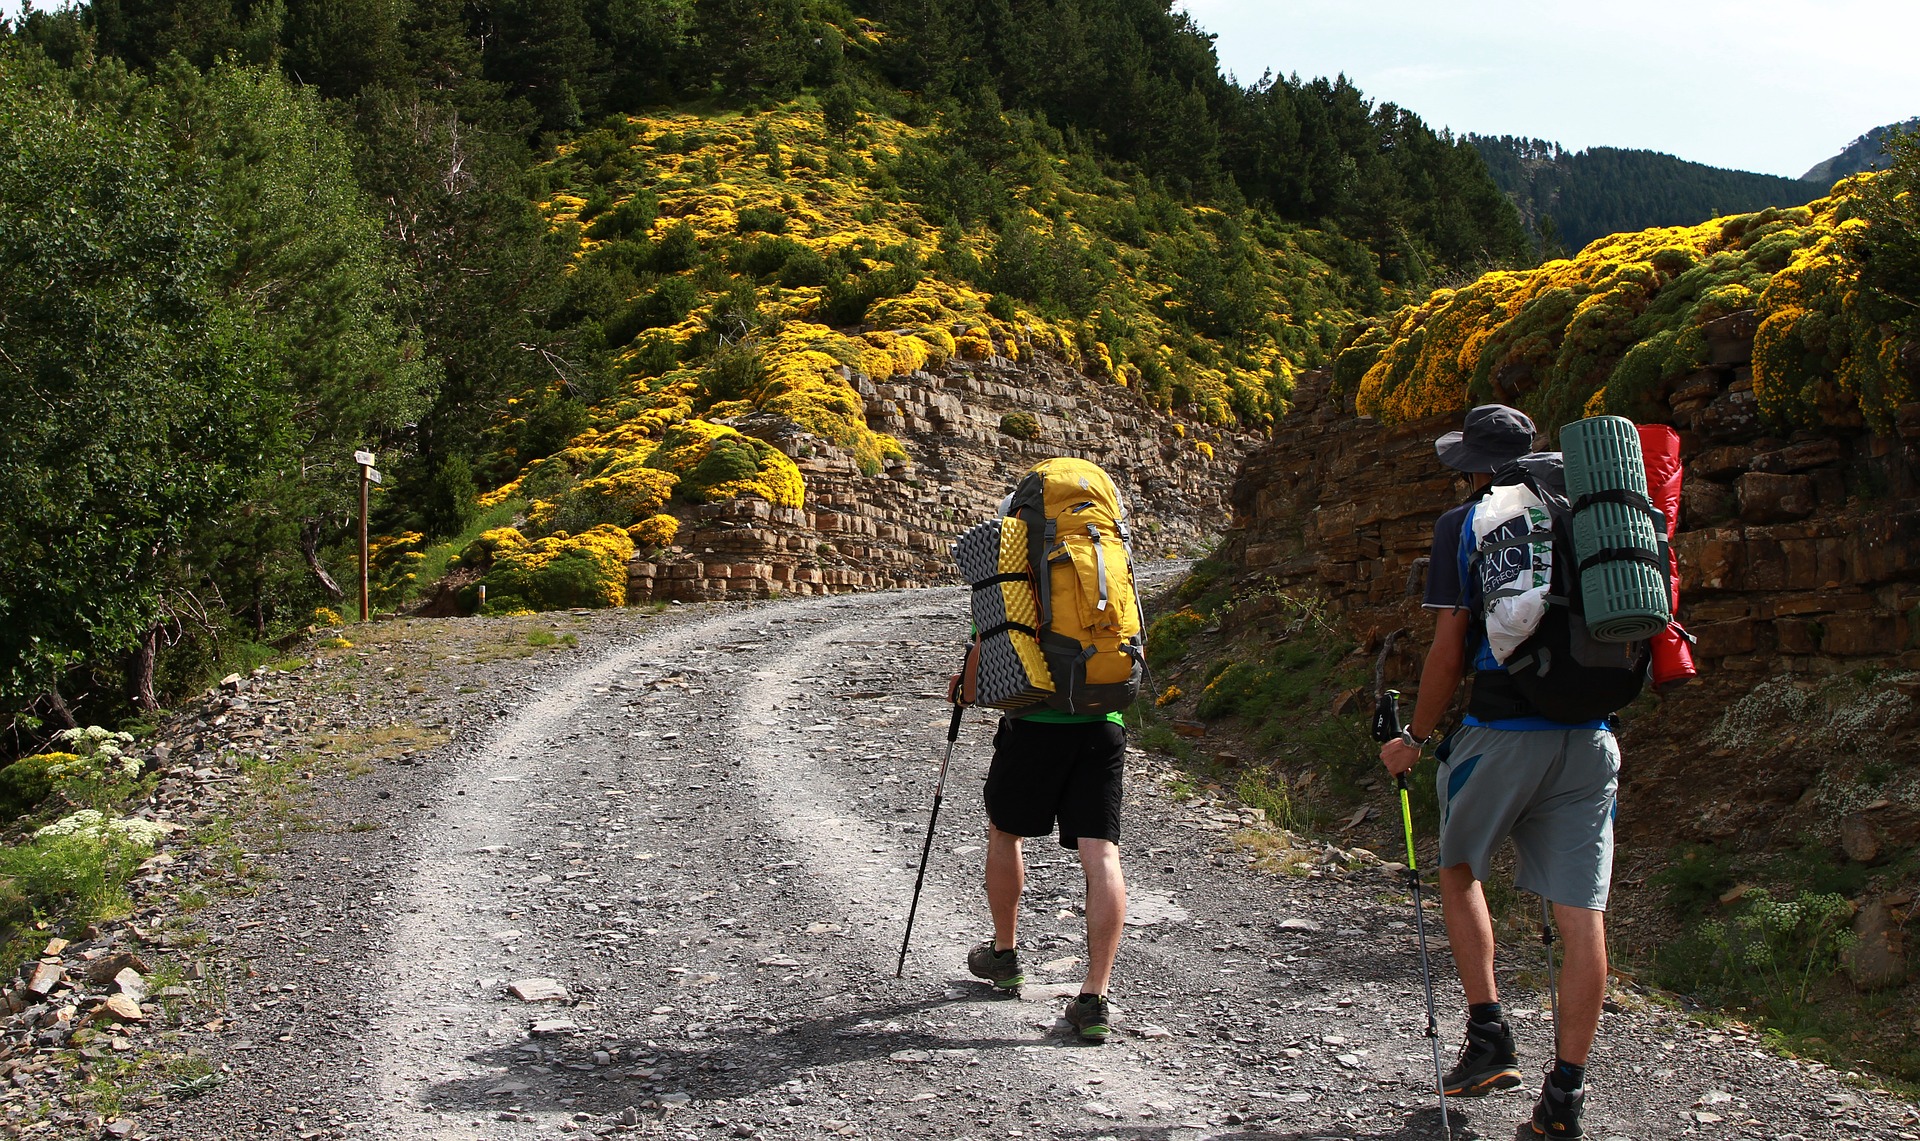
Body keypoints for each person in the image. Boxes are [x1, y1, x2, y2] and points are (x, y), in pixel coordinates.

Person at [1378, 404, 1619, 1140]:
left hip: (1503, 731)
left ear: (1477, 466)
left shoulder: (1471, 521)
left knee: (1458, 869)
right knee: (1583, 921)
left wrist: (1414, 737)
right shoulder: (1589, 510)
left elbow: (1449, 650)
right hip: (1592, 737)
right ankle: (1563, 1100)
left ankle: (1488, 1037)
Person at [952, 496, 1130, 1045]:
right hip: (1105, 718)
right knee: (1100, 850)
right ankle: (1094, 997)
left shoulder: (1019, 554)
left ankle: (1004, 955)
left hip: (1034, 720)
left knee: (1005, 831)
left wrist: (965, 685)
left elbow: (992, 635)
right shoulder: (1109, 543)